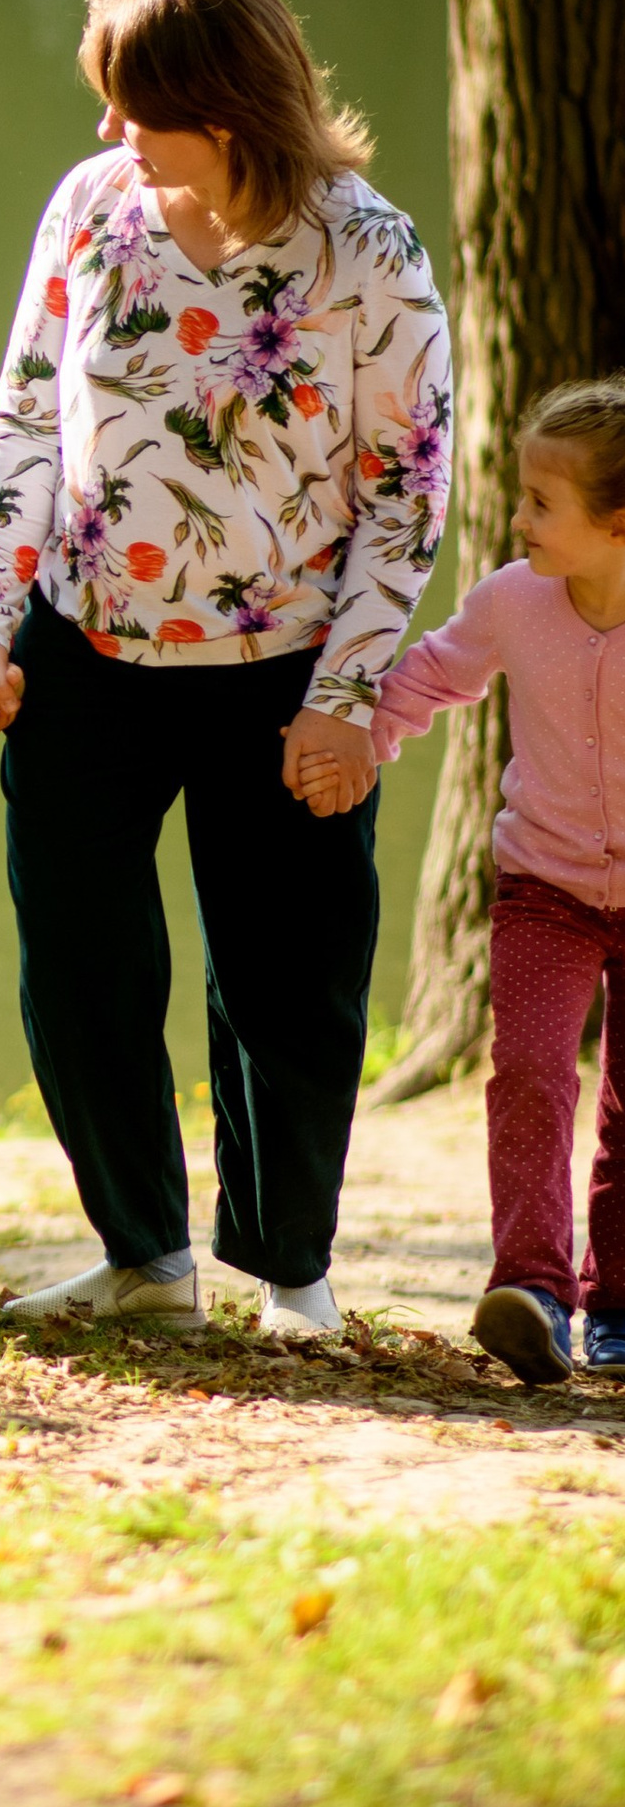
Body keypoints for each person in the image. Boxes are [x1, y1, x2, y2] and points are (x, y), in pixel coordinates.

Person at [0, 0, 450, 1337]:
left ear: (222, 108)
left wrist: (346, 696)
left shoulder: (368, 250)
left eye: (134, 106)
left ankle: (291, 1273)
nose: (111, 131)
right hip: (85, 663)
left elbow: (408, 492)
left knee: (290, 978)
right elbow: (23, 422)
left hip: (284, 675)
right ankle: (143, 1261)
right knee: (81, 966)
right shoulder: (92, 208)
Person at [360, 385, 625, 1385]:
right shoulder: (512, 600)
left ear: (617, 521)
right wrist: (352, 739)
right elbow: (426, 677)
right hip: (543, 888)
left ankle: (621, 1304)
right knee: (528, 1077)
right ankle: (533, 1290)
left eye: (539, 502)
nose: (517, 519)